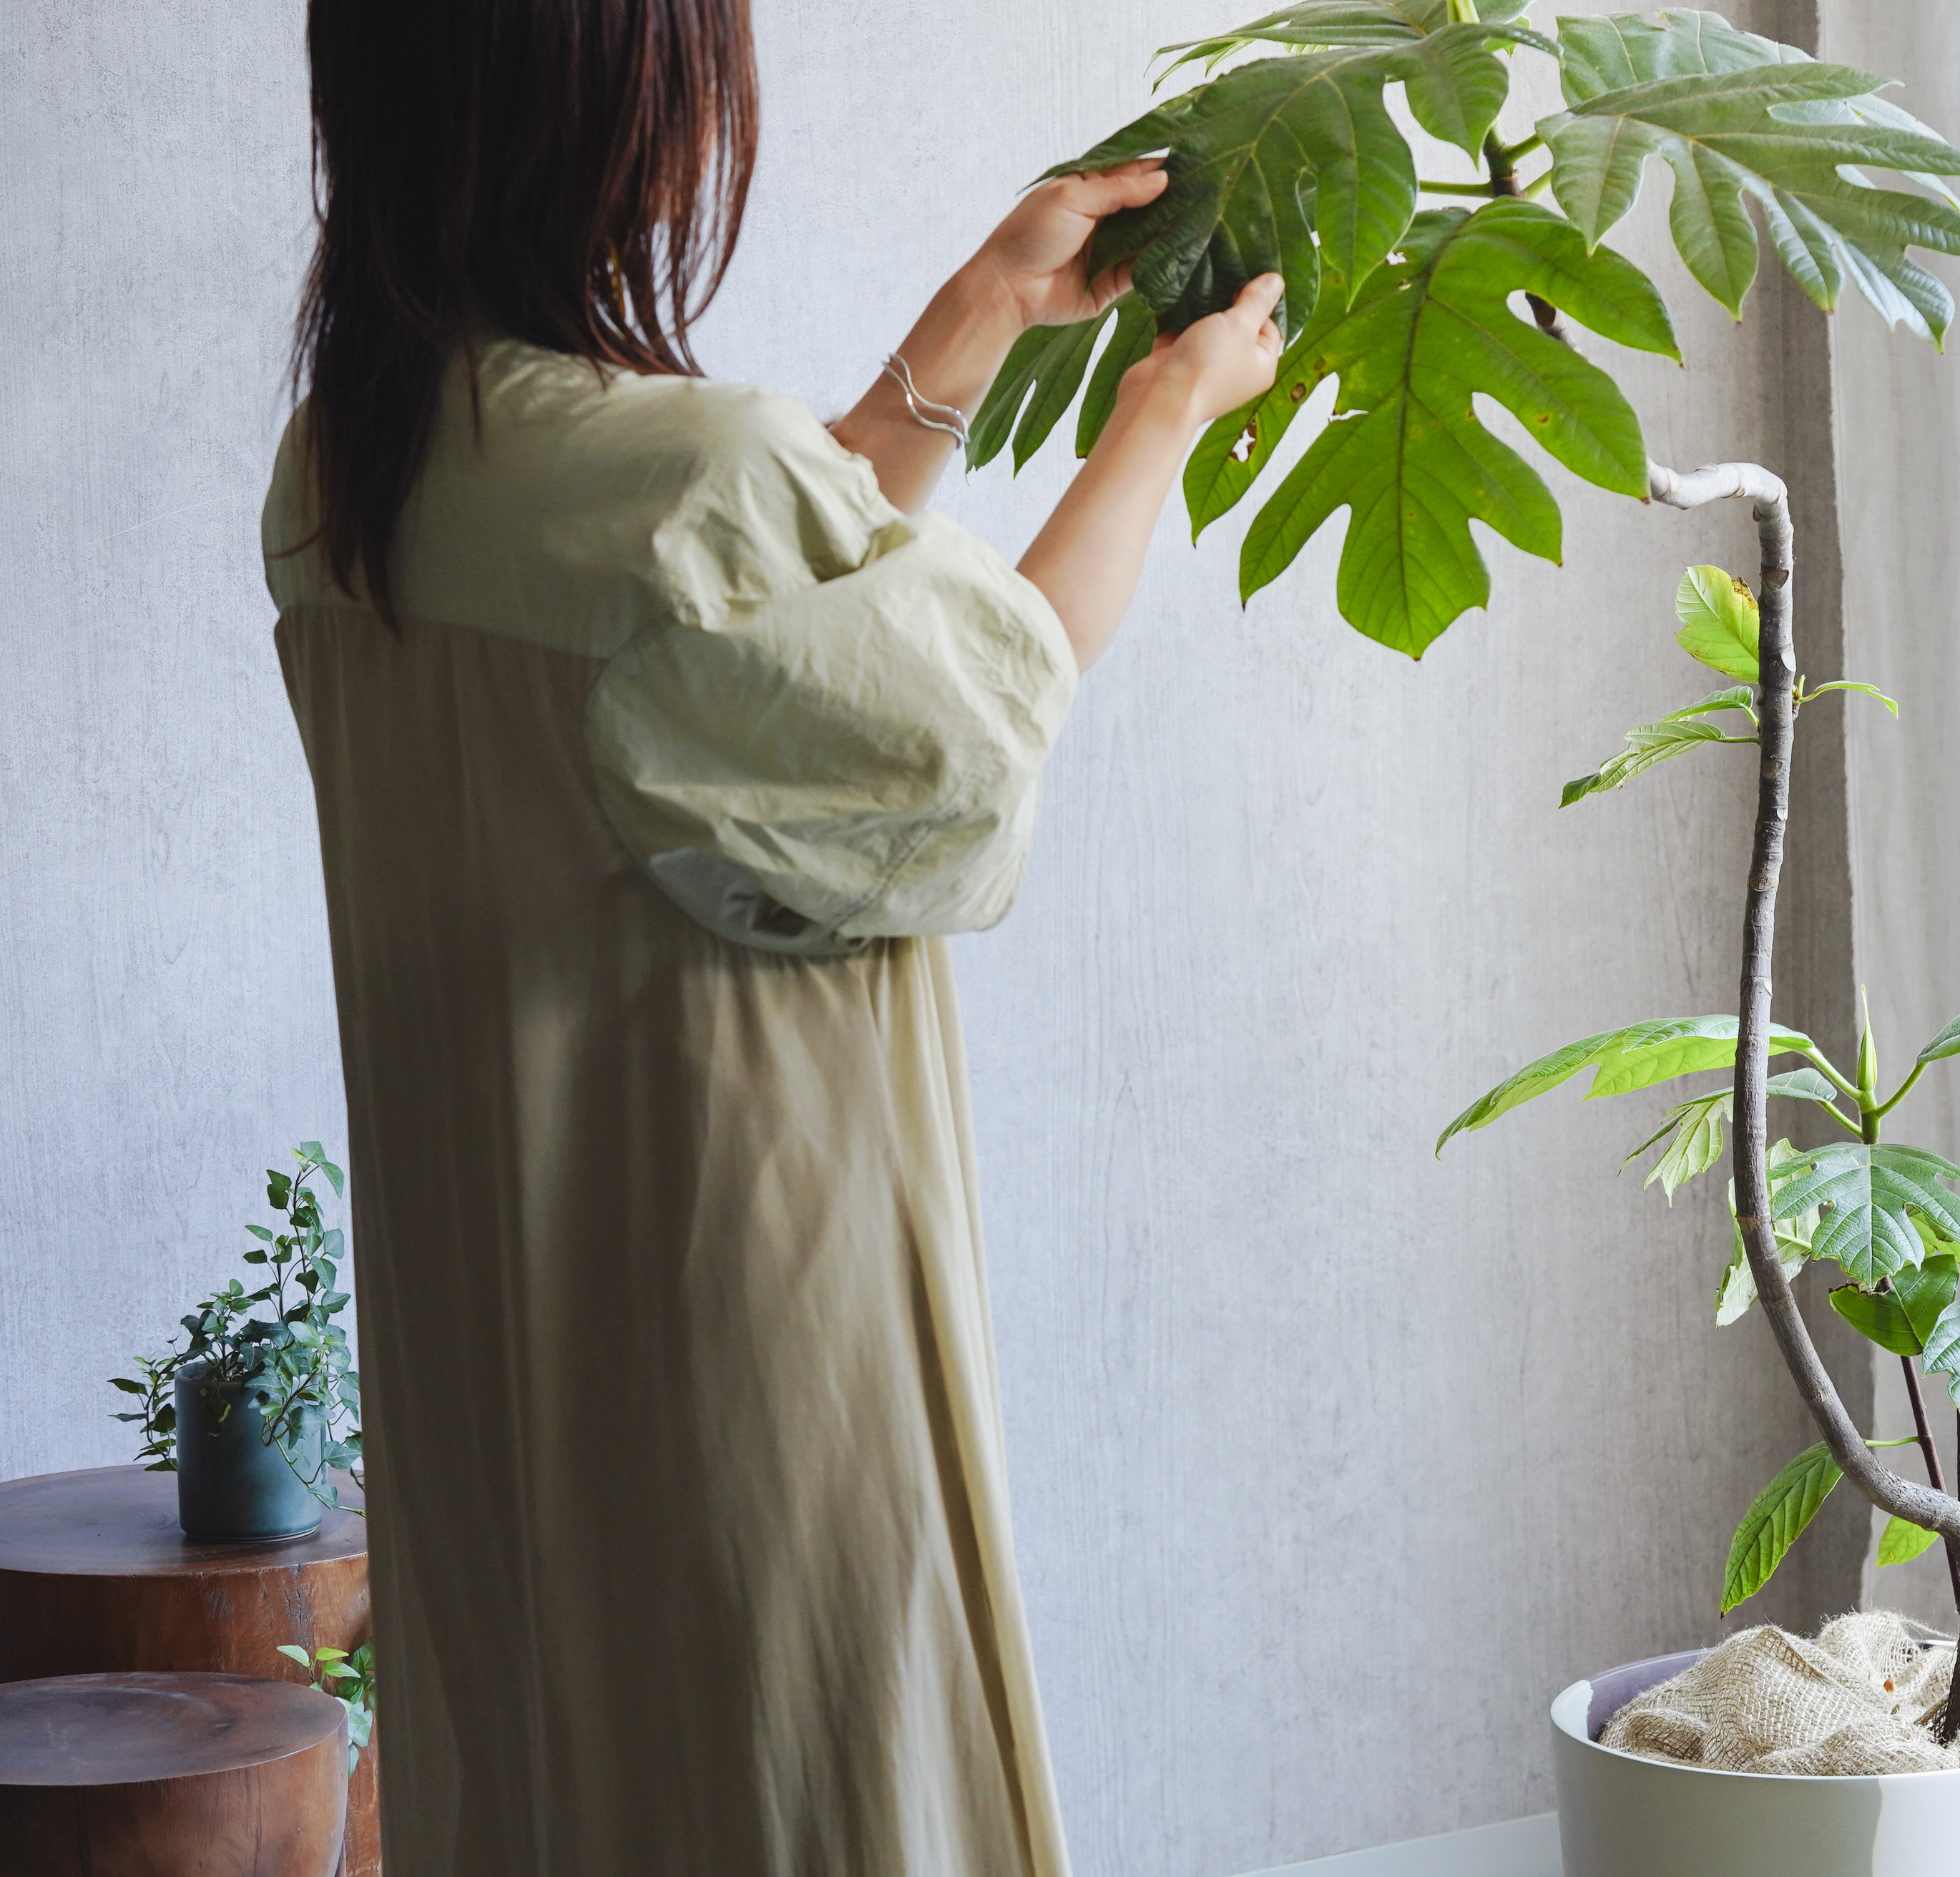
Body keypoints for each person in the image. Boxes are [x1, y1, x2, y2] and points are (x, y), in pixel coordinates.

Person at [263, 4, 1280, 1872]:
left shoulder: (354, 471)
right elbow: (982, 712)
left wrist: (973, 314)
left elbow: (722, 632)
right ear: (617, 116)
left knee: (572, 1780)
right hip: (745, 1341)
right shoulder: (679, 479)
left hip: (501, 1350)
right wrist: (1164, 411)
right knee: (806, 1787)